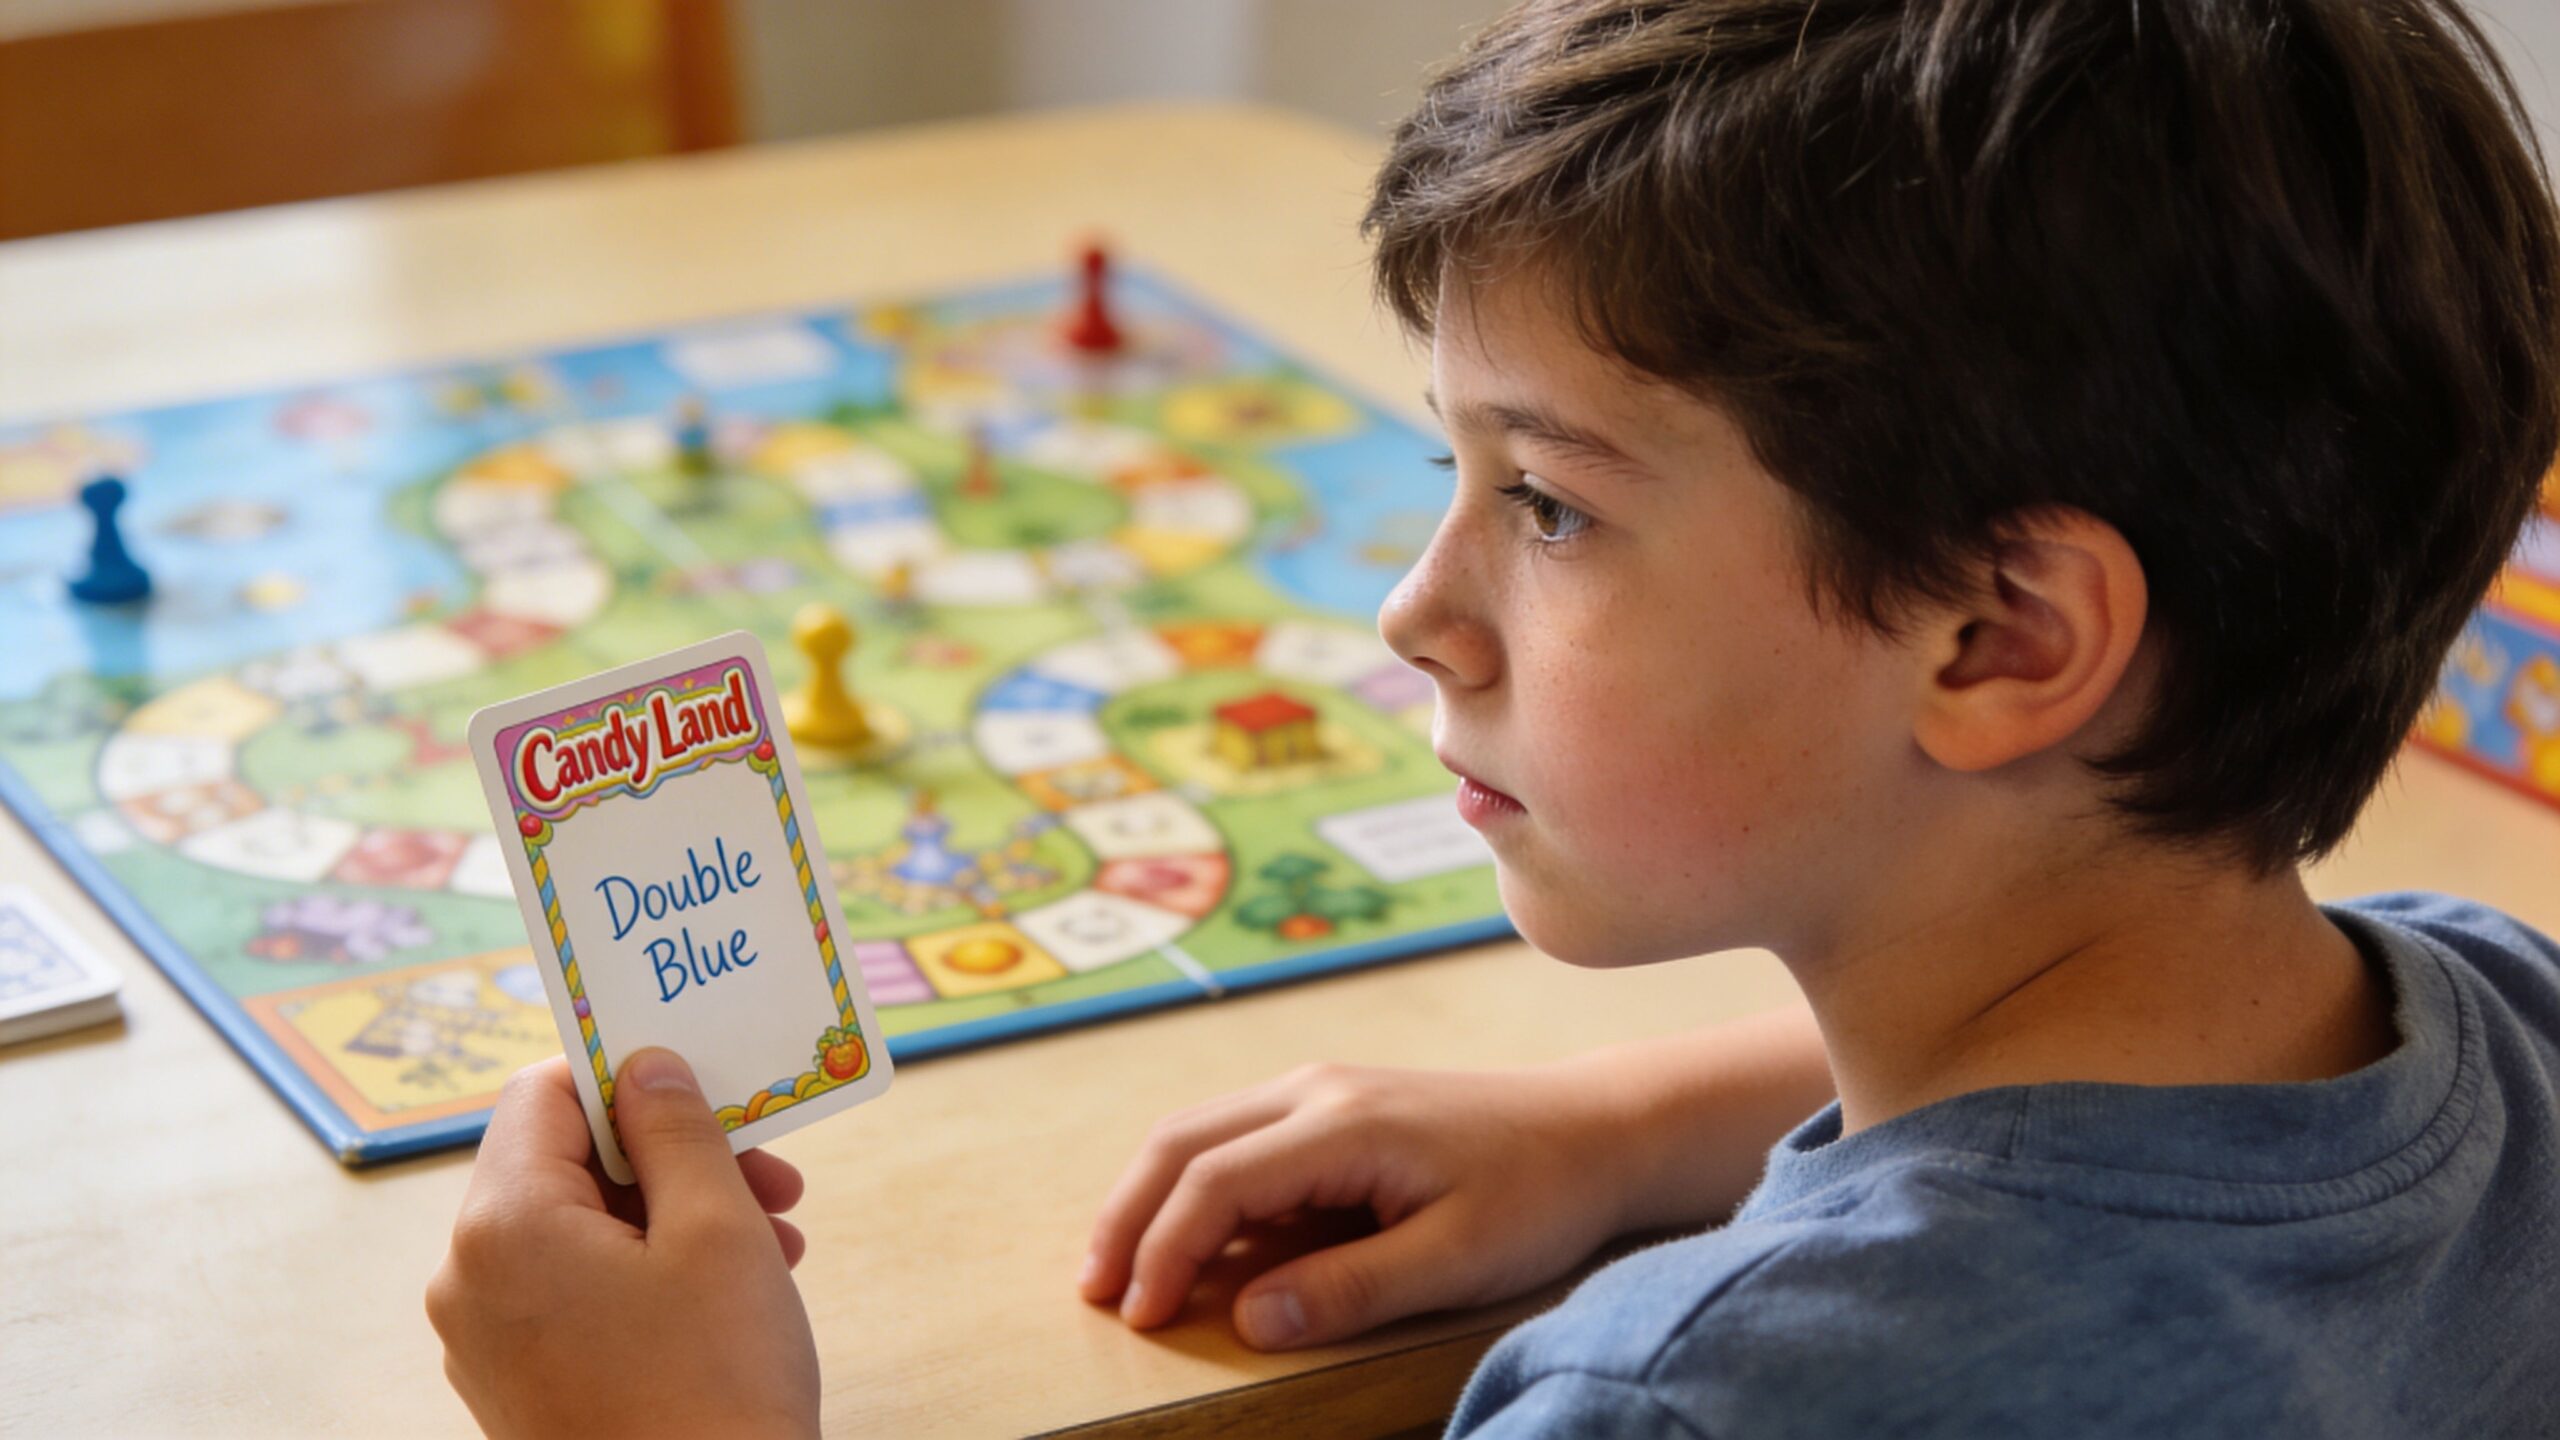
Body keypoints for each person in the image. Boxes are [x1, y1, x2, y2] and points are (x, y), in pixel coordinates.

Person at [426, 0, 2560, 1434]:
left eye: (1541, 499)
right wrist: (1628, 1126)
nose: (1415, 606)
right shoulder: (2503, 1038)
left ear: (2000, 637)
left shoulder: (1695, 1399)